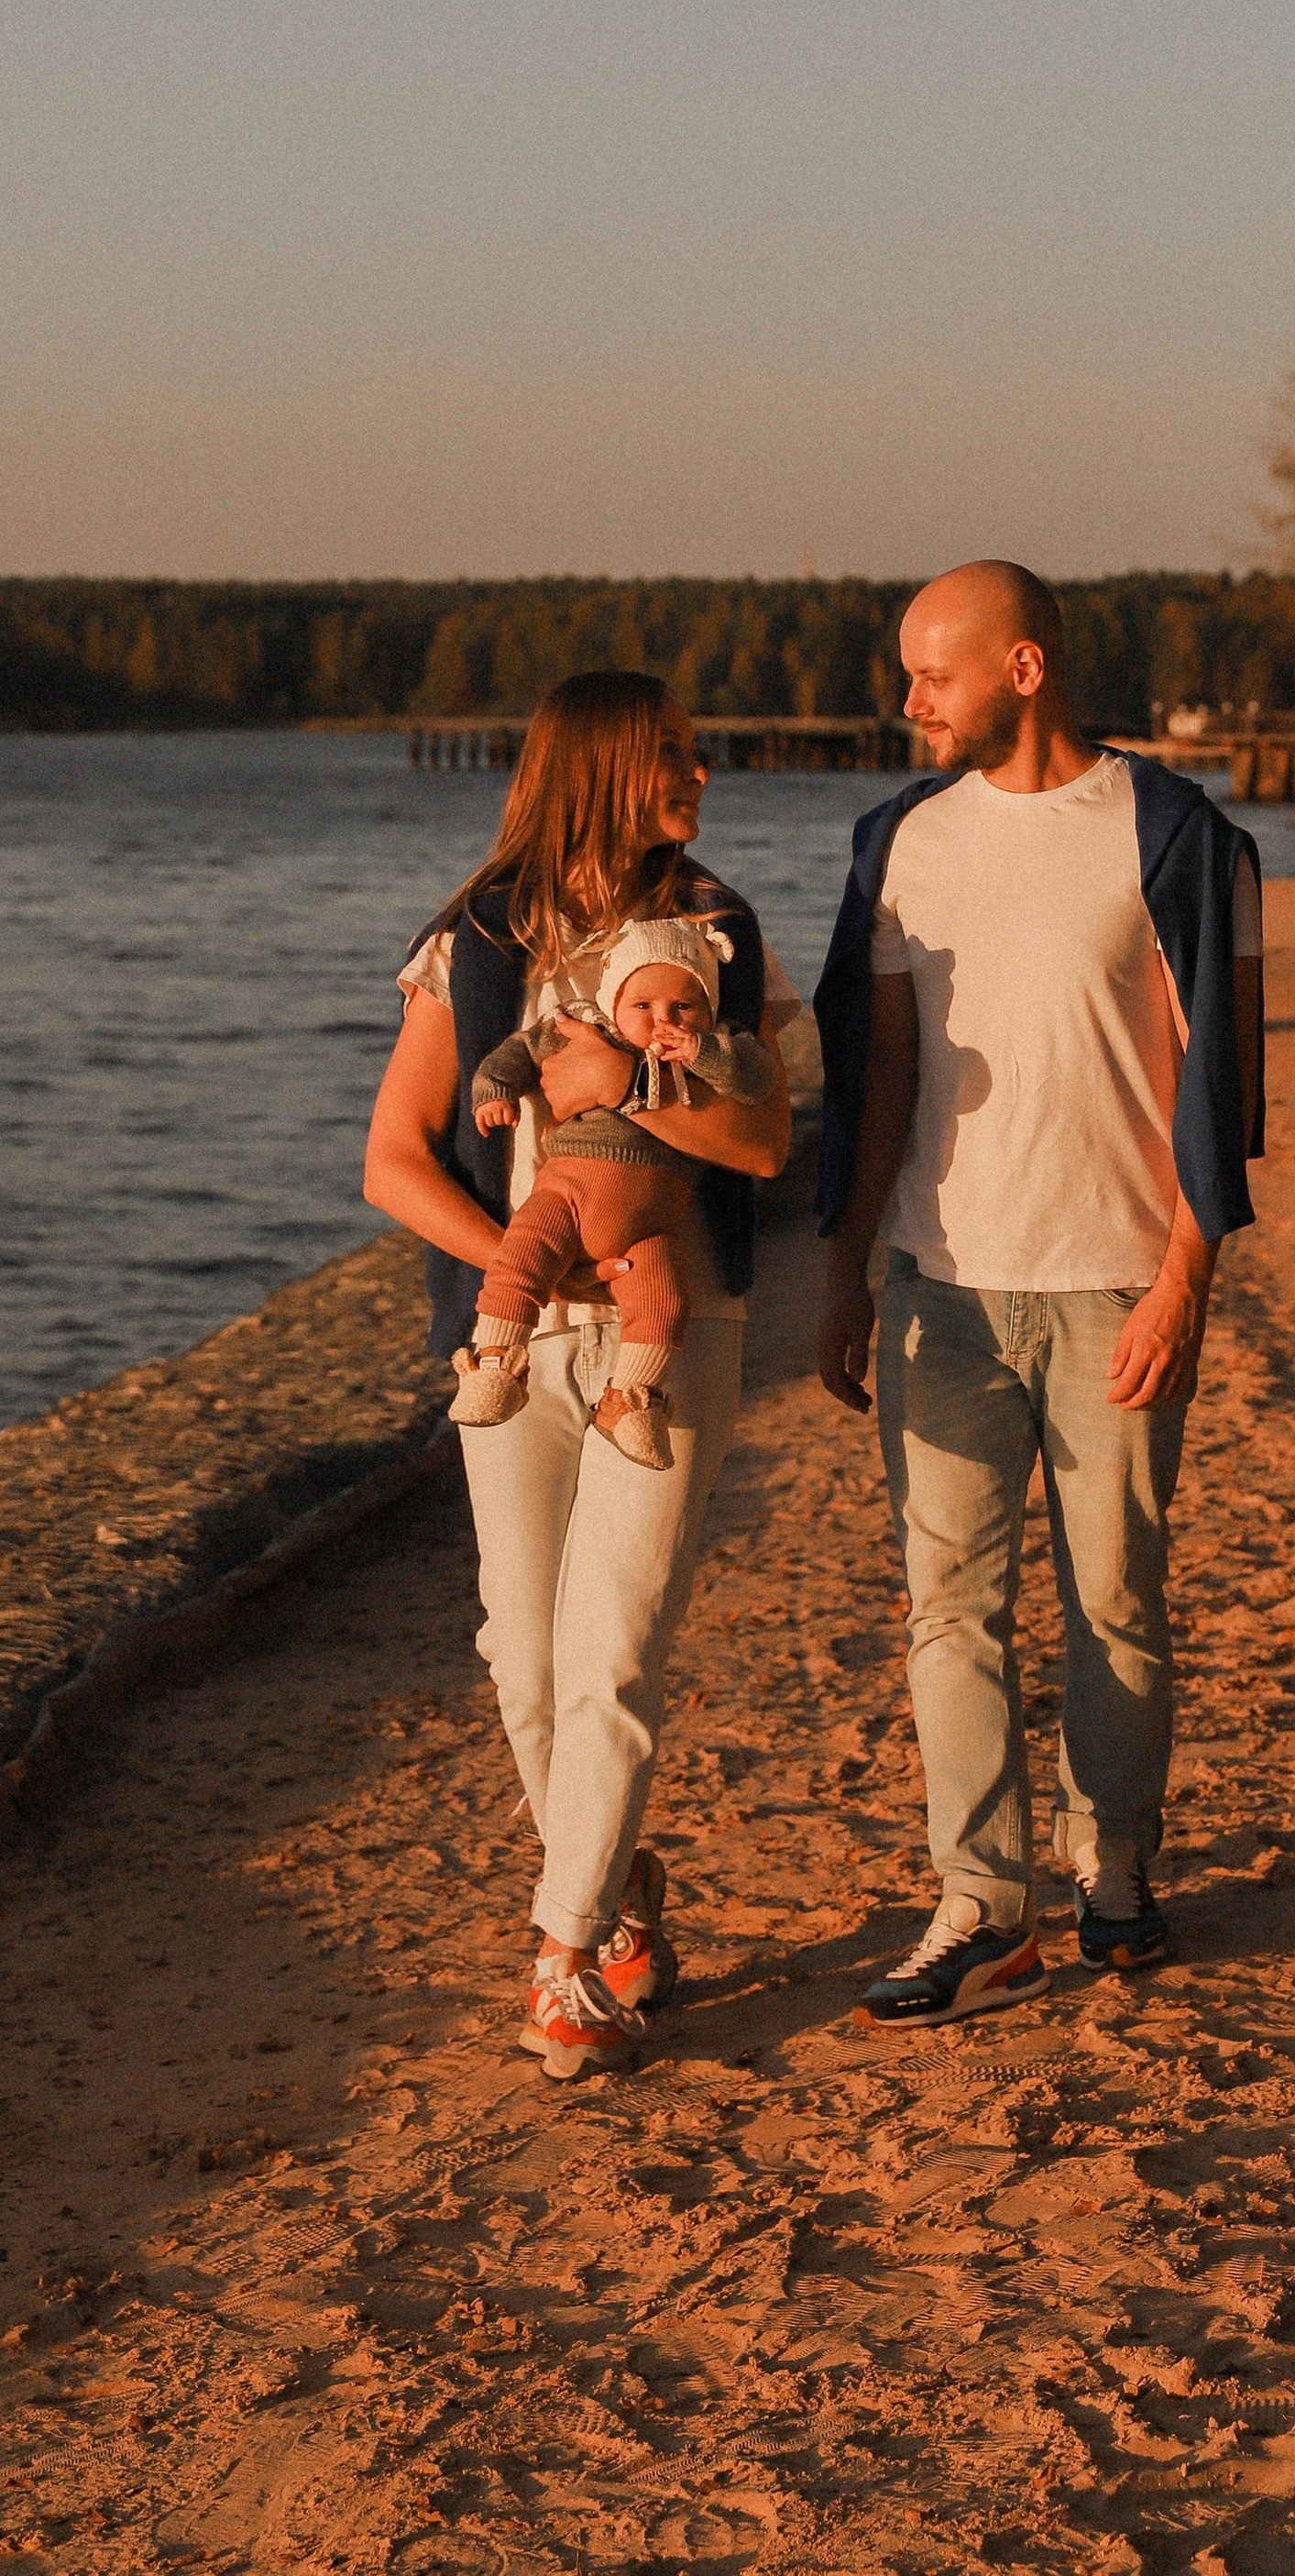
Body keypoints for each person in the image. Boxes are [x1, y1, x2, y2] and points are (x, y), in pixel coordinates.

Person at [814, 563, 1265, 2027]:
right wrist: (845, 1272)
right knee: (949, 1608)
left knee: (1118, 1599)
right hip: (944, 1287)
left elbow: (1223, 1074)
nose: (907, 702)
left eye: (928, 675)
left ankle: (1113, 1861)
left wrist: (1188, 1274)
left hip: (1115, 1280)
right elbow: (879, 1077)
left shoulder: (1180, 834)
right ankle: (982, 1902)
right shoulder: (900, 843)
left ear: (1022, 668)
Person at [364, 674, 797, 2081]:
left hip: (670, 1330)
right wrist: (518, 1264)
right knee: (521, 1652)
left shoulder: (718, 928)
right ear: (603, 768)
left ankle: (565, 1962)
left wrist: (636, 1083)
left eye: (696, 752)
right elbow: (391, 1163)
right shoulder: (472, 937)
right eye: (673, 756)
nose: (702, 775)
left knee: (612, 1648)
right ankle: (613, 1895)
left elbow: (770, 1144)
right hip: (514, 1328)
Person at [454, 914, 781, 1470]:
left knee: (664, 1303)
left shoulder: (714, 1051)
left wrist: (699, 1051)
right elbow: (517, 1053)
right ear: (613, 1001)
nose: (663, 1021)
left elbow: (756, 1079)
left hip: (648, 1223)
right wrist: (494, 1089)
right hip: (567, 1192)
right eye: (644, 1006)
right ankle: (495, 1364)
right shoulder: (585, 1028)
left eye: (684, 1007)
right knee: (520, 1264)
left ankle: (628, 1402)